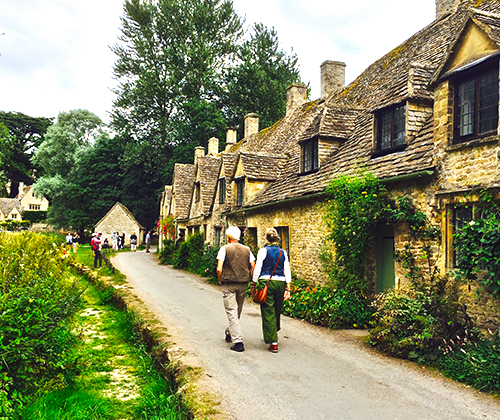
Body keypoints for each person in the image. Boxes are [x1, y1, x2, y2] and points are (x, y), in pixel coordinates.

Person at [252, 228, 292, 353]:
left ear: (266, 238)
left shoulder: (263, 251)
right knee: (277, 308)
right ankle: (274, 328)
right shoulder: (282, 252)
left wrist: (254, 282)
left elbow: (258, 268)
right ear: (277, 239)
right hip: (280, 282)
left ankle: (273, 342)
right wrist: (288, 287)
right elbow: (287, 269)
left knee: (268, 310)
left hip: (266, 282)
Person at [216, 226, 255, 352]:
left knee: (232, 311)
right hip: (243, 283)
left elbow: (219, 268)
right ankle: (229, 332)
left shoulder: (225, 249)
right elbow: (253, 266)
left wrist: (221, 279)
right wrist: (250, 278)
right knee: (237, 311)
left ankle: (238, 341)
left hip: (229, 283)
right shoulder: (247, 250)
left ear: (228, 237)